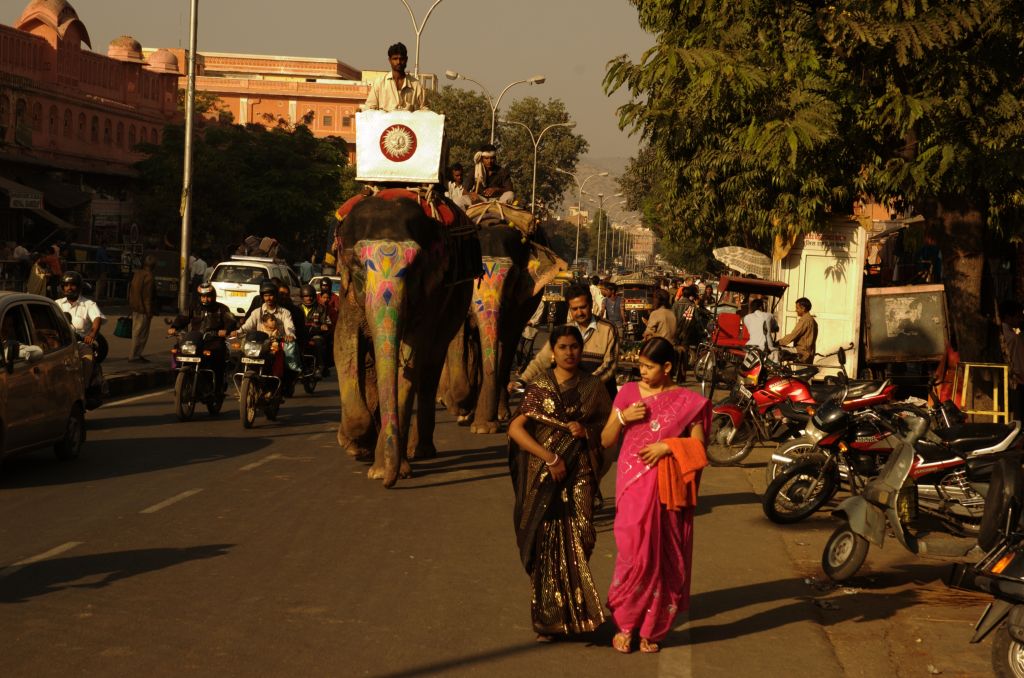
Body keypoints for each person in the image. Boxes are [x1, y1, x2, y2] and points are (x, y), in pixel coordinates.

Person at [600, 337, 711, 654]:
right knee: (633, 549)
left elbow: (700, 449)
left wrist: (668, 446)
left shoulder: (688, 401)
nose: (642, 372)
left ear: (667, 367)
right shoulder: (628, 394)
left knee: (663, 555)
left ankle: (652, 628)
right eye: (640, 366)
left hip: (666, 489)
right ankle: (625, 623)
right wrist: (623, 418)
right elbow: (606, 439)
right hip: (632, 484)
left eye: (649, 367)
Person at [507, 325, 612, 642]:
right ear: (552, 351)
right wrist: (549, 457)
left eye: (575, 347)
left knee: (583, 536)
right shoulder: (539, 386)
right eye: (563, 347)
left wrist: (587, 431)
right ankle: (548, 620)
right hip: (545, 474)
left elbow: (606, 428)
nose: (569, 352)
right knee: (544, 542)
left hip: (579, 470)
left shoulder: (593, 386)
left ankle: (577, 613)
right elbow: (516, 429)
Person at [515, 283, 619, 398]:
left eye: (583, 307)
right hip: (571, 401)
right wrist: (522, 381)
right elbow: (541, 360)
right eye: (574, 309)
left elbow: (609, 365)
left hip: (601, 399)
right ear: (570, 309)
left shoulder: (608, 329)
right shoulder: (564, 331)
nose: (579, 313)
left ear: (591, 304)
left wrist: (585, 385)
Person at [168, 283, 237, 393]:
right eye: (203, 296)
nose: (205, 299)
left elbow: (231, 321)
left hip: (213, 340)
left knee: (218, 357)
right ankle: (178, 378)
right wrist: (174, 327)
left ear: (213, 296)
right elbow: (182, 318)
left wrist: (226, 330)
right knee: (177, 349)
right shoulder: (193, 307)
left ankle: (217, 388)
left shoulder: (222, 309)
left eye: (208, 296)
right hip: (195, 340)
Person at [234, 281, 296, 379]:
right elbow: (248, 326)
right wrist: (237, 332)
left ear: (276, 296)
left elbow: (289, 326)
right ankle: (240, 382)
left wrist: (290, 335)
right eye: (266, 296)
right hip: (258, 344)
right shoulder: (256, 312)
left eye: (271, 295)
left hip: (275, 344)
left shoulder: (284, 312)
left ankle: (281, 381)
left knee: (283, 358)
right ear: (262, 297)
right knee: (241, 354)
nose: (268, 298)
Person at [362, 42, 428, 112]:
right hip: (385, 122)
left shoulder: (416, 86)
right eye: (395, 59)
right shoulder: (380, 83)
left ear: (406, 60)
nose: (398, 62)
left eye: (401, 59)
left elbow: (425, 110)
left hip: (407, 122)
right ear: (389, 60)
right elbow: (369, 109)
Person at [299, 284, 331, 377]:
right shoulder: (297, 308)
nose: (308, 298)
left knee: (318, 342)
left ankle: (319, 367)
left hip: (315, 335)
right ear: (302, 297)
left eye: (310, 296)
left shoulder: (321, 308)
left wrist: (324, 326)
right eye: (306, 296)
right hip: (301, 335)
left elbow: (327, 322)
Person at [128, 255, 155, 362]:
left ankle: (135, 355)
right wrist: (148, 312)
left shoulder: (138, 274)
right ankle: (135, 355)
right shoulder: (149, 276)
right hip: (142, 309)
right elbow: (147, 296)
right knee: (141, 334)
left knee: (136, 332)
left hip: (135, 306)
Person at [779, 297, 818, 363]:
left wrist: (778, 343)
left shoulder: (805, 320)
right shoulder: (812, 320)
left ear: (803, 308)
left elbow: (793, 335)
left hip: (802, 352)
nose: (796, 310)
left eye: (797, 308)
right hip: (809, 353)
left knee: (775, 352)